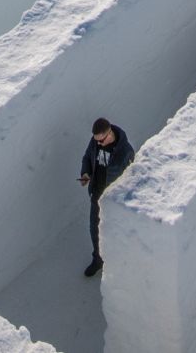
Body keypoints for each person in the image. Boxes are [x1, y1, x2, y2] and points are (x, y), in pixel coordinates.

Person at [79, 117, 135, 276]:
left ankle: (118, 260)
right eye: (96, 140)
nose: (98, 143)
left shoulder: (125, 151)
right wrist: (85, 173)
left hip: (113, 199)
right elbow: (87, 157)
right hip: (97, 195)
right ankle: (98, 258)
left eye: (101, 141)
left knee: (115, 230)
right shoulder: (95, 142)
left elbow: (131, 179)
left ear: (109, 134)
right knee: (94, 228)